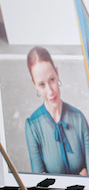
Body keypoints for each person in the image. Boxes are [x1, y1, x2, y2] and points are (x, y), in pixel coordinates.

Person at [24, 46, 89, 175]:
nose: (50, 91)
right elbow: (39, 181)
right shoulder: (33, 126)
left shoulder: (78, 118)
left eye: (52, 80)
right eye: (42, 84)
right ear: (34, 84)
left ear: (57, 73)